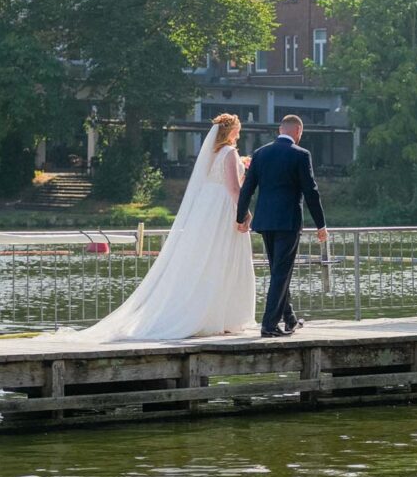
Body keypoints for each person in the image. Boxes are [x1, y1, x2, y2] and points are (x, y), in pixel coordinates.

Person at [74, 113, 256, 342]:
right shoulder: (229, 152)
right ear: (230, 131)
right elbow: (232, 188)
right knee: (223, 259)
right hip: (222, 208)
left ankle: (212, 315)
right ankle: (221, 318)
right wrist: (245, 211)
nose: (239, 133)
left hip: (207, 209)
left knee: (208, 260)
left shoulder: (214, 153)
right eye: (237, 129)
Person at [236, 113, 327, 338]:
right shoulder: (301, 155)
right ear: (298, 132)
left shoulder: (260, 153)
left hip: (265, 221)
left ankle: (290, 319)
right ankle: (268, 325)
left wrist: (240, 218)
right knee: (281, 273)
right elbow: (311, 192)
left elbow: (247, 188)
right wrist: (321, 224)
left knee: (278, 271)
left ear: (280, 130)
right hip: (288, 222)